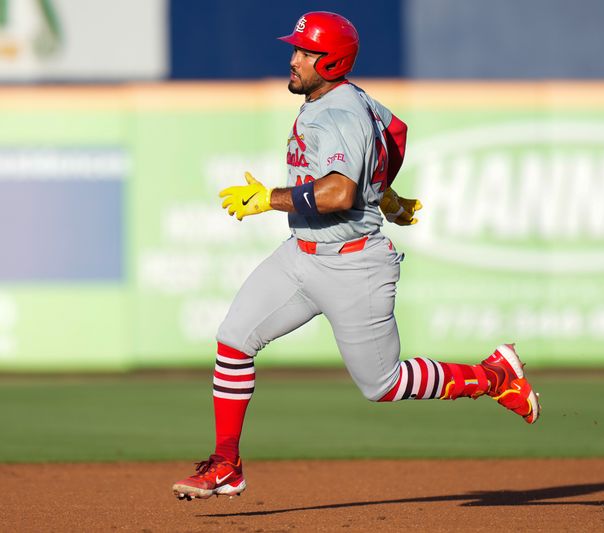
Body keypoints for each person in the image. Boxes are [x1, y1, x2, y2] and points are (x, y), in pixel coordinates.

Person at [172, 11, 540, 501]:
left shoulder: (340, 111)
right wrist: (384, 194)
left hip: (353, 264)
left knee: (382, 384)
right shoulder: (347, 99)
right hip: (301, 254)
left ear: (331, 61)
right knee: (233, 340)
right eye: (297, 48)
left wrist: (270, 199)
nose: (294, 58)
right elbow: (394, 135)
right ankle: (226, 465)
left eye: (305, 52)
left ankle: (493, 376)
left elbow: (340, 192)